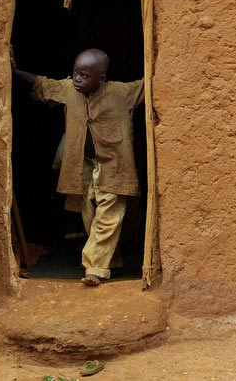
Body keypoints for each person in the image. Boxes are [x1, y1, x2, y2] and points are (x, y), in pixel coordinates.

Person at [12, 48, 144, 286]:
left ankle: (94, 267)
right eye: (76, 73)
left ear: (101, 78)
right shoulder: (68, 89)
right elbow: (44, 85)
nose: (78, 79)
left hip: (114, 164)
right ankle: (110, 260)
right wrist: (16, 72)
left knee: (109, 213)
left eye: (84, 75)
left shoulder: (121, 93)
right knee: (89, 212)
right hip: (83, 165)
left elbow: (150, 84)